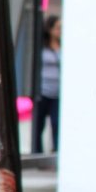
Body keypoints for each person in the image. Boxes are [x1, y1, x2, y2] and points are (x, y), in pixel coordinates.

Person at [34, 14, 62, 154]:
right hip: (43, 91)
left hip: (57, 93)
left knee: (57, 124)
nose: (60, 31)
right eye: (57, 28)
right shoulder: (41, 46)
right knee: (38, 125)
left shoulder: (63, 45)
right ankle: (37, 152)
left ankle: (57, 152)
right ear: (50, 29)